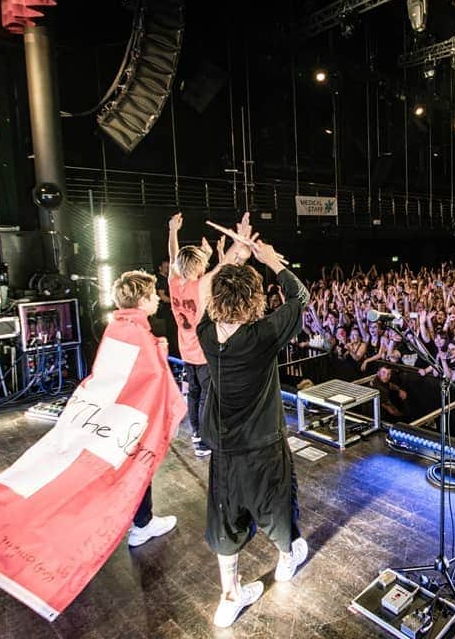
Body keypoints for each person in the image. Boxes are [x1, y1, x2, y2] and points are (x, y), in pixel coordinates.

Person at [197, 216, 309, 628]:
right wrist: (270, 259)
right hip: (263, 447)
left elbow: (204, 287)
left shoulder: (208, 335)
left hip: (224, 450)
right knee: (278, 509)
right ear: (254, 301)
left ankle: (229, 597)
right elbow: (300, 298)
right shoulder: (262, 335)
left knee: (226, 520)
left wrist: (235, 255)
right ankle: (285, 561)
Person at [112, 270, 180, 547]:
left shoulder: (117, 326)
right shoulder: (139, 333)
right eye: (153, 296)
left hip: (122, 413)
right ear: (141, 300)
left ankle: (140, 520)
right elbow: (151, 377)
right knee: (141, 467)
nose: (157, 300)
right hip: (137, 414)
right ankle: (143, 524)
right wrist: (160, 351)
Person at [167, 213, 214, 458]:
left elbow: (173, 257)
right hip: (202, 352)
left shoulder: (173, 282)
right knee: (206, 394)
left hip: (185, 350)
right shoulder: (200, 285)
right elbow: (222, 267)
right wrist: (216, 254)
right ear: (197, 266)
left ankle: (196, 434)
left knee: (193, 393)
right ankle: (204, 439)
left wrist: (172, 231)